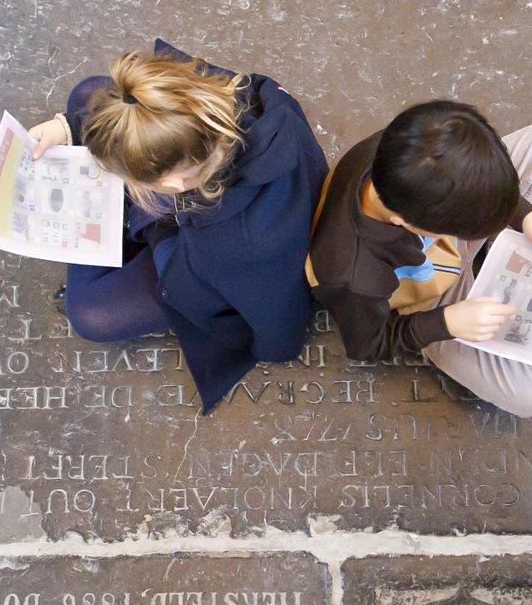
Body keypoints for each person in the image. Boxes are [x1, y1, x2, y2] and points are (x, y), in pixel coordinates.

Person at [28, 39, 328, 413]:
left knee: (91, 315)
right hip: (219, 197)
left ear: (169, 189)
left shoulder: (232, 247)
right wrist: (69, 128)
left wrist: (151, 228)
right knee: (90, 94)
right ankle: (117, 156)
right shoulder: (226, 95)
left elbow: (281, 333)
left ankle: (107, 228)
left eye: (123, 178)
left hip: (202, 244)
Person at [305, 100, 532, 418]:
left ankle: (504, 253)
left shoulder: (408, 149)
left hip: (443, 230)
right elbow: (367, 345)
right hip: (426, 298)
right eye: (480, 223)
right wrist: (447, 323)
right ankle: (500, 259)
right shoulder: (353, 276)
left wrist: (525, 216)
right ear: (405, 222)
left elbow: (472, 188)